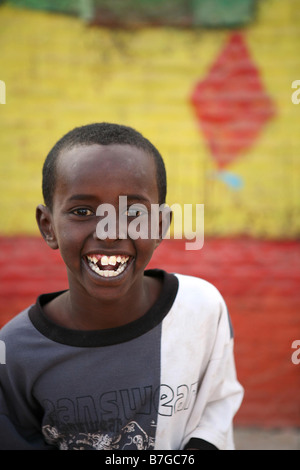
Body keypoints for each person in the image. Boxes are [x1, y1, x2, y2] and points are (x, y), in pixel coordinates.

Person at [0, 123, 243, 450]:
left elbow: (216, 406)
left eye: (132, 212)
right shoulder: (13, 354)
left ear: (159, 225)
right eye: (82, 211)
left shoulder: (201, 308)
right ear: (48, 227)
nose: (110, 232)